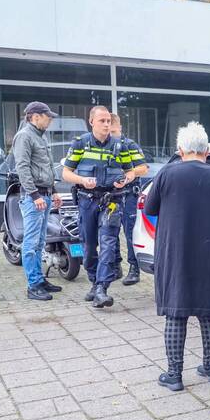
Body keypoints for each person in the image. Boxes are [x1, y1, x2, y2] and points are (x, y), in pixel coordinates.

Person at [145, 122, 210, 391]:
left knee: (177, 312)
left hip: (176, 252)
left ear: (180, 150)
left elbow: (151, 207)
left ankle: (174, 375)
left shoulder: (166, 174)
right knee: (209, 312)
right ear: (207, 151)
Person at [62, 106, 148, 308]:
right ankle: (94, 281)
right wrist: (82, 180)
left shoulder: (121, 146)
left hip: (111, 201)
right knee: (89, 245)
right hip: (87, 200)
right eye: (102, 121)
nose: (106, 124)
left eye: (109, 121)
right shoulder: (80, 144)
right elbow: (66, 173)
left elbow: (135, 170)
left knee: (108, 242)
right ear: (91, 122)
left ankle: (102, 288)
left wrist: (125, 179)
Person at [12, 102, 64, 301]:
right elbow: (22, 168)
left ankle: (40, 280)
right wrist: (34, 196)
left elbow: (47, 168)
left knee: (40, 242)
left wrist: (54, 191)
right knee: (31, 243)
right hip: (34, 197)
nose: (49, 119)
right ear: (35, 116)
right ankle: (33, 285)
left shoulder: (39, 137)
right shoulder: (25, 136)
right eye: (47, 116)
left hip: (46, 194)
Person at [110, 113, 146, 286]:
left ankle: (134, 268)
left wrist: (126, 174)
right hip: (110, 194)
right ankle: (116, 265)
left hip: (129, 194)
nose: (111, 134)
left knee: (129, 231)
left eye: (114, 130)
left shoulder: (129, 145)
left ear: (120, 128)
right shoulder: (104, 145)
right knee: (111, 229)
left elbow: (143, 168)